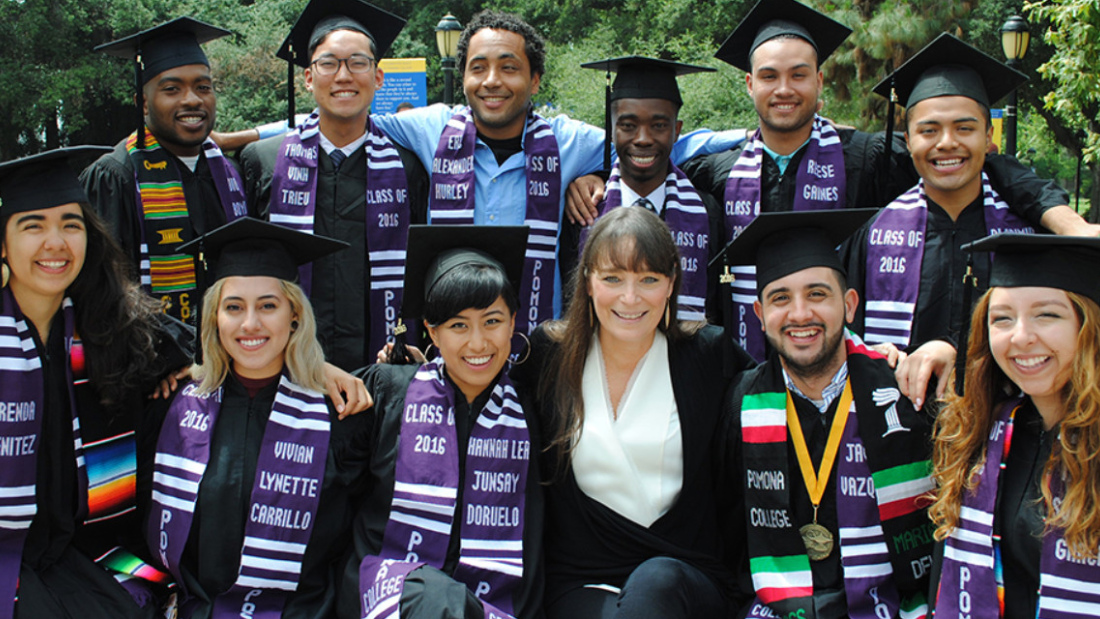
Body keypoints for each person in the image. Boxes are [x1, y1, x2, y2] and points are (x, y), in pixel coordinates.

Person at [679, 0, 1091, 362]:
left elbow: (965, 165)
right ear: (751, 85)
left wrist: (1062, 218)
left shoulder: (866, 157)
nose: (784, 89)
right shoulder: (719, 172)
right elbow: (657, 177)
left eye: (799, 75)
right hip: (748, 363)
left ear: (819, 82)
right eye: (770, 76)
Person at [369, 10, 741, 334]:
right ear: (463, 77)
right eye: (478, 68)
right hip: (455, 337)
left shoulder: (567, 142)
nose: (492, 81)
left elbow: (647, 143)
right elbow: (352, 125)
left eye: (509, 67)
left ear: (535, 81)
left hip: (538, 341)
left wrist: (757, 134)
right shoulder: (431, 128)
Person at [514, 207, 754, 618]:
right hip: (581, 576)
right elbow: (481, 394)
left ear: (671, 283)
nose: (630, 298)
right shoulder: (548, 357)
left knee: (656, 583)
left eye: (648, 279)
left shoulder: (707, 355)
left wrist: (883, 361)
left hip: (685, 575)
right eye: (612, 278)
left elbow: (792, 381)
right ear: (588, 281)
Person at [843, 34, 1098, 409]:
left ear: (989, 137)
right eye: (928, 131)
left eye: (965, 128)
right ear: (908, 140)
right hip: (898, 429)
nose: (946, 143)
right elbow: (849, 331)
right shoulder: (873, 233)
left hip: (1009, 425)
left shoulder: (1030, 233)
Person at [138, 217, 371, 618]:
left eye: (268, 305)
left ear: (294, 315)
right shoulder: (173, 408)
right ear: (214, 318)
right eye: (233, 307)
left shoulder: (339, 414)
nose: (250, 323)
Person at [714, 210, 935, 619]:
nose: (800, 314)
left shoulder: (903, 393)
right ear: (760, 316)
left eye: (817, 294)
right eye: (780, 298)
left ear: (849, 305)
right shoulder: (740, 405)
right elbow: (728, 536)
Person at [0, 147, 190, 618]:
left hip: (84, 549)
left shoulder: (111, 329)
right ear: (2, 245)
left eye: (70, 223)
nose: (55, 242)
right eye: (32, 226)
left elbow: (210, 351)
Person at [337, 225, 543, 619]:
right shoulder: (388, 392)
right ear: (431, 330)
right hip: (394, 598)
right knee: (436, 598)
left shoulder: (534, 408)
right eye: (458, 326)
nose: (479, 343)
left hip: (500, 604)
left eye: (493, 321)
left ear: (515, 321)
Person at [239, 0, 430, 372]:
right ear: (308, 78)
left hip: (383, 366)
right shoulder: (264, 162)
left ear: (377, 77)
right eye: (328, 63)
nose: (343, 76)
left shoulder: (408, 167)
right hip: (286, 366)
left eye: (358, 62)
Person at [927, 234, 1100, 618]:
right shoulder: (980, 434)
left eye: (1047, 315)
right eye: (1002, 319)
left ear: (1088, 325)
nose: (1020, 337)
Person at [80, 18, 251, 325]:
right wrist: (166, 360)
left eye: (203, 87)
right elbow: (103, 291)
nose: (192, 100)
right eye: (172, 89)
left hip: (232, 355)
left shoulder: (232, 173)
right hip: (149, 363)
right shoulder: (116, 176)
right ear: (143, 104)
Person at [559, 57, 720, 323]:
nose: (643, 138)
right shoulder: (584, 211)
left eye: (658, 126)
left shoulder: (706, 212)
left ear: (677, 130)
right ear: (611, 131)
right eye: (628, 126)